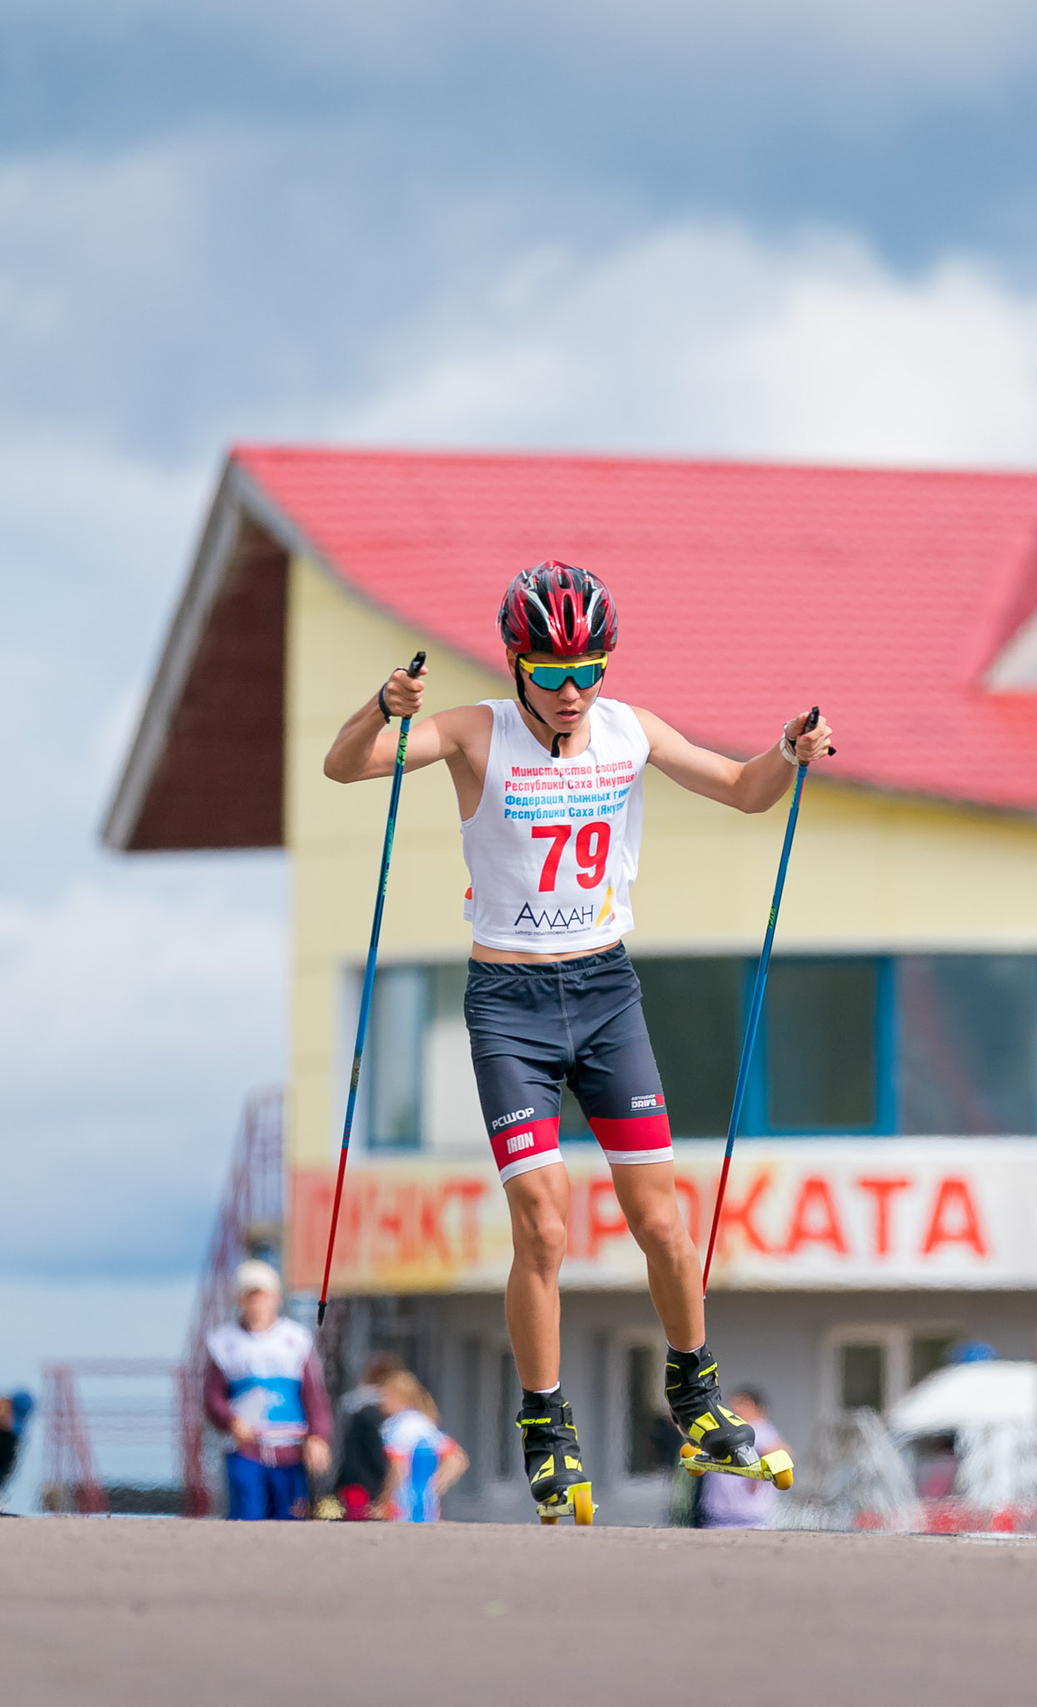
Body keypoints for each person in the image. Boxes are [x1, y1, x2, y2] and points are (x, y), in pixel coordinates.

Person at [323, 561, 832, 1521]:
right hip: (508, 1000)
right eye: (552, 674)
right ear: (516, 662)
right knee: (546, 1226)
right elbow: (346, 767)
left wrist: (789, 750)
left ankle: (694, 1391)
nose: (571, 693)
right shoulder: (478, 729)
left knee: (663, 1223)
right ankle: (546, 1423)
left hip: (605, 991)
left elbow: (742, 788)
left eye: (587, 670)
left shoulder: (628, 728)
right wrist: (379, 708)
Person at [203, 1259, 332, 1520]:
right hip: (245, 1448)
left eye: (262, 1296)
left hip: (290, 1449)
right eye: (250, 1297)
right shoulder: (223, 1342)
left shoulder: (297, 1339)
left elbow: (313, 1395)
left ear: (276, 1298)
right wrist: (230, 1420)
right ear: (239, 1300)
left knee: (291, 1518)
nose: (257, 1304)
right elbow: (212, 1396)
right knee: (246, 1516)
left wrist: (318, 1437)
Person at [376, 1371, 467, 1523]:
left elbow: (398, 1466)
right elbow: (458, 1460)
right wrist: (437, 1484)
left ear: (398, 1397)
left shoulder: (396, 1426)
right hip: (428, 1502)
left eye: (386, 1396)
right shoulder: (424, 1423)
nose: (383, 1401)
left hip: (403, 1500)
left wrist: (386, 1496)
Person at [694, 1389, 786, 1530]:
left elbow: (781, 1454)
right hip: (716, 1517)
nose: (736, 1408)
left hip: (748, 1518)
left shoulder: (759, 1430)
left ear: (758, 1409)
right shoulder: (724, 1431)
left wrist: (757, 1476)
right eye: (735, 1403)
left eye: (743, 1403)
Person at [332, 1352, 404, 1521]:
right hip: (370, 1485)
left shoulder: (349, 1404)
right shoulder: (378, 1412)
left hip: (348, 1479)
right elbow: (377, 1453)